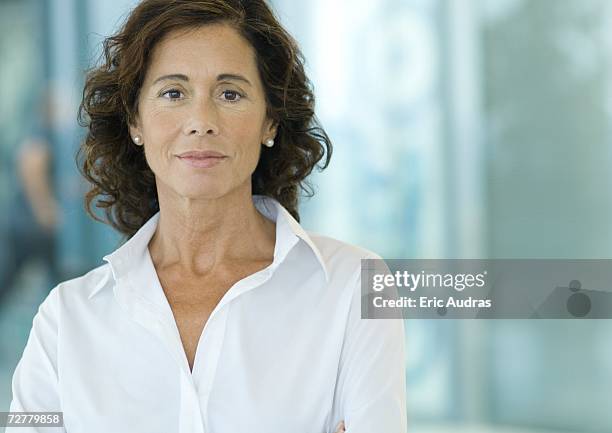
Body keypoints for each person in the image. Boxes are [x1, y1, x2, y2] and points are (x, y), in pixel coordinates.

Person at [8, 1, 407, 432]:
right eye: (173, 93)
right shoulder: (66, 319)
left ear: (270, 121)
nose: (201, 121)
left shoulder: (356, 288)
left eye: (230, 93)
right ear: (135, 121)